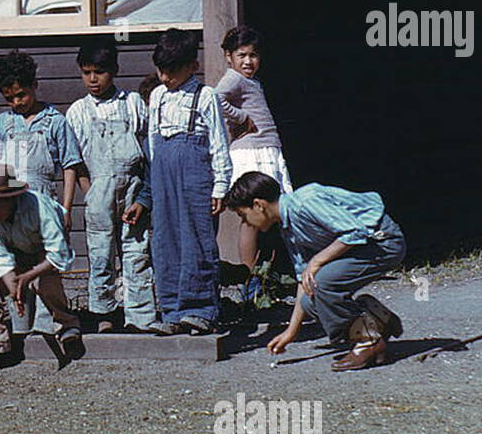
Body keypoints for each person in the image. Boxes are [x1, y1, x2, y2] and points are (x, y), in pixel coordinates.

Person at [224, 171, 405, 371]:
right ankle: (379, 319)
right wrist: (291, 332)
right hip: (364, 248)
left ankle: (368, 342)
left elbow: (355, 232)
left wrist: (317, 260)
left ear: (259, 205)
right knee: (310, 301)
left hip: (383, 242)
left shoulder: (305, 202)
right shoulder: (288, 228)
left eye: (243, 215)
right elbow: (304, 277)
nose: (246, 223)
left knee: (323, 282)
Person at [136, 28, 232, 335]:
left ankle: (201, 308)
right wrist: (153, 185)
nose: (164, 78)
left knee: (197, 238)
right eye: (160, 70)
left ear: (192, 66)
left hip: (195, 173)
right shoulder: (158, 96)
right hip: (163, 171)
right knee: (165, 238)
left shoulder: (205, 97)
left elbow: (219, 143)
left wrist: (220, 186)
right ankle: (172, 308)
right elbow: (152, 142)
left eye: (171, 72)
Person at [65, 38, 157, 333]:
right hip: (98, 191)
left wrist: (143, 197)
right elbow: (76, 160)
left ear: (114, 70)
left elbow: (147, 149)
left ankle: (140, 315)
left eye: (100, 72)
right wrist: (90, 193)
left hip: (133, 189)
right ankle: (103, 314)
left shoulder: (132, 104)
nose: (93, 79)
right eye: (86, 72)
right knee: (101, 255)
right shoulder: (78, 111)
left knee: (136, 252)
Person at [0, 170, 84, 372]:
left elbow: (58, 254)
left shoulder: (39, 206)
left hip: (43, 253)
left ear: (10, 199)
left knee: (43, 282)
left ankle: (66, 326)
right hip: (15, 256)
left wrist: (27, 277)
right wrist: (15, 291)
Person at [214, 26, 293, 294]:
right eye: (241, 55)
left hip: (267, 149)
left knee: (276, 214)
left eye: (254, 55)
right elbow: (215, 98)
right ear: (228, 56)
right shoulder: (233, 79)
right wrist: (241, 118)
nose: (248, 61)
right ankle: (250, 281)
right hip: (251, 153)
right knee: (251, 219)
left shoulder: (251, 81)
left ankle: (278, 274)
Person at [0, 49, 83, 223]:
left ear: (34, 85)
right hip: (10, 202)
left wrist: (66, 209)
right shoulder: (2, 123)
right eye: (9, 98)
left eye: (21, 95)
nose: (16, 102)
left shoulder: (56, 121)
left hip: (43, 201)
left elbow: (70, 166)